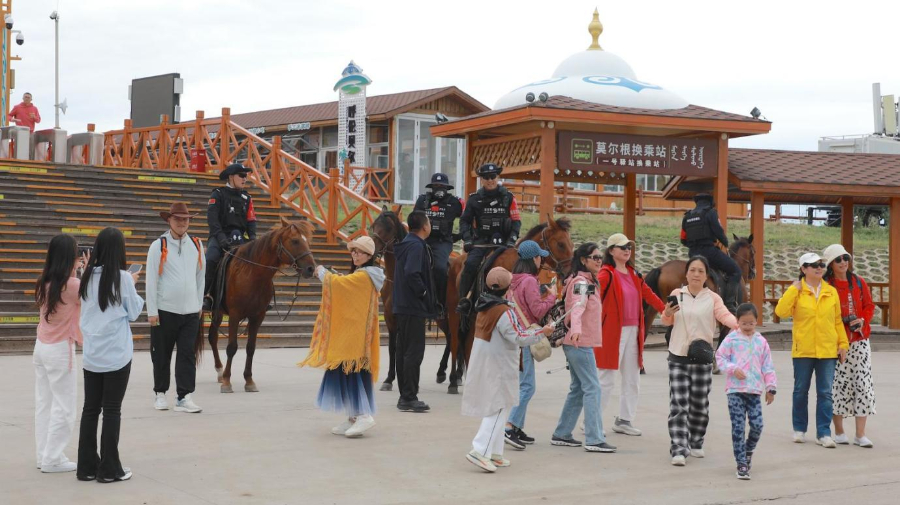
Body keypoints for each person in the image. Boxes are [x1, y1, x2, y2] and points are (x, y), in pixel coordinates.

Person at [463, 267, 554, 472]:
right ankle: (480, 450)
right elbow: (519, 337)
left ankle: (494, 452)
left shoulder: (484, 305)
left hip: (489, 363)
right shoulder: (504, 311)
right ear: (507, 288)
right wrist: (543, 332)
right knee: (498, 407)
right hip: (500, 365)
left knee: (501, 406)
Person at [76, 227, 144, 483]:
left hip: (92, 354)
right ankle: (109, 469)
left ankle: (86, 467)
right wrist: (133, 284)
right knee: (112, 410)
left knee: (90, 409)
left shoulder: (86, 276)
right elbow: (134, 312)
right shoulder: (123, 278)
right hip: (116, 354)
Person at [300, 236, 384, 438]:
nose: (355, 254)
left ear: (369, 256)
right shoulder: (363, 275)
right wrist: (336, 277)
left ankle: (363, 415)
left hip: (356, 337)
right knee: (346, 373)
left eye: (360, 252)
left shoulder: (365, 275)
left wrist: (323, 273)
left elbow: (338, 285)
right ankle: (354, 416)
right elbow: (345, 286)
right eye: (354, 251)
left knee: (353, 373)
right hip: (352, 334)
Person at [661, 255, 738, 466]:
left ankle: (696, 440)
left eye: (700, 271)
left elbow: (725, 316)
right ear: (686, 274)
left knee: (699, 404)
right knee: (678, 404)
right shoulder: (677, 294)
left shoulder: (713, 298)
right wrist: (667, 312)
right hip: (678, 356)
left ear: (706, 276)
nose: (696, 274)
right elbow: (666, 321)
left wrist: (739, 325)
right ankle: (679, 448)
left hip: (702, 357)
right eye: (692, 270)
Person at [775, 252, 848, 449]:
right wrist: (793, 289)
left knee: (825, 393)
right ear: (803, 269)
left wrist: (843, 344)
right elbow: (780, 311)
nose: (819, 268)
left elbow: (837, 321)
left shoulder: (831, 291)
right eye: (813, 265)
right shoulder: (797, 291)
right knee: (800, 391)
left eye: (821, 264)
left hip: (827, 350)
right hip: (803, 350)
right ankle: (799, 429)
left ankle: (824, 433)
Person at [595, 233, 666, 438]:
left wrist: (665, 310)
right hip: (612, 332)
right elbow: (593, 299)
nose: (627, 250)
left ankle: (624, 420)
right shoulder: (605, 274)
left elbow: (649, 294)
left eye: (629, 247)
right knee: (606, 378)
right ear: (611, 251)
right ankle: (592, 419)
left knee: (632, 378)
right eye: (622, 247)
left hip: (634, 331)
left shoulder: (634, 274)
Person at [550, 242, 617, 453]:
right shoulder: (581, 282)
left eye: (600, 257)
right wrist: (576, 330)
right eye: (594, 257)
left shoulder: (586, 280)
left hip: (577, 341)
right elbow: (577, 307)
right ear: (583, 260)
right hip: (579, 342)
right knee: (593, 388)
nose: (599, 261)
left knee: (579, 388)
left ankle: (562, 433)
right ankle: (594, 438)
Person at [145, 203, 205, 413]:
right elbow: (151, 279)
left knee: (187, 354)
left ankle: (184, 396)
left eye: (185, 219)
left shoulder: (196, 244)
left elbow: (200, 276)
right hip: (165, 310)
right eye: (177, 219)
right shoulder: (158, 245)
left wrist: (198, 304)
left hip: (190, 311)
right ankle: (160, 393)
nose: (182, 223)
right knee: (162, 354)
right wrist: (152, 311)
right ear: (169, 220)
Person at [33, 234, 84, 473]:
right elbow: (90, 297)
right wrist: (85, 270)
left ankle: (43, 455)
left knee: (44, 404)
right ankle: (52, 458)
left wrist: (77, 270)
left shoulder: (44, 281)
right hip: (60, 349)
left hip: (41, 347)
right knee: (64, 407)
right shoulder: (72, 285)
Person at [503, 240, 556, 450]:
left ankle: (517, 427)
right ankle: (509, 426)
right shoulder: (530, 281)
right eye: (539, 257)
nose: (541, 260)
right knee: (528, 386)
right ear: (534, 259)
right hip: (526, 337)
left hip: (514, 336)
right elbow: (538, 310)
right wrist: (551, 297)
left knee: (522, 384)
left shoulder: (512, 280)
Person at [822, 244, 876, 448]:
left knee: (863, 385)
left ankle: (860, 434)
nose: (843, 262)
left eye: (845, 258)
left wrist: (863, 320)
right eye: (838, 259)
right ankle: (839, 431)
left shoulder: (859, 282)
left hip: (860, 341)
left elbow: (869, 306)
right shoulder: (826, 286)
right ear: (830, 264)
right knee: (837, 386)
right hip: (836, 342)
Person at [715, 303, 777, 480]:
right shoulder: (731, 339)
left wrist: (770, 387)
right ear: (738, 322)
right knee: (738, 427)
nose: (748, 327)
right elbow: (720, 357)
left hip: (754, 391)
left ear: (756, 321)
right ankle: (741, 463)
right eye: (744, 323)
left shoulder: (761, 342)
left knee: (757, 425)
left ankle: (748, 450)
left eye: (751, 323)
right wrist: (732, 368)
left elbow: (768, 366)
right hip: (735, 390)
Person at [457, 163, 521, 314]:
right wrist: (467, 239)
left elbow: (516, 221)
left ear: (498, 177)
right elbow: (464, 221)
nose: (490, 180)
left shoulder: (509, 197)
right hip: (481, 243)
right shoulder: (473, 199)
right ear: (481, 179)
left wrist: (512, 240)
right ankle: (464, 301)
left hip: (505, 244)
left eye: (493, 176)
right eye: (486, 177)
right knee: (470, 265)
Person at [392, 210, 438, 412]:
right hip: (413, 306)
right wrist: (424, 292)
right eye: (429, 223)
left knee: (403, 351)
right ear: (425, 226)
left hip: (402, 305)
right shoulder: (417, 246)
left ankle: (405, 396)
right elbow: (412, 272)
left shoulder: (406, 244)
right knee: (413, 352)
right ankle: (409, 397)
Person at [203, 163, 257, 311]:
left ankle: (259, 297)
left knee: (260, 258)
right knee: (210, 259)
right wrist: (221, 238)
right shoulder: (218, 194)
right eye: (241, 175)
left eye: (246, 176)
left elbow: (251, 220)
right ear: (231, 177)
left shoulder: (247, 198)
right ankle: (206, 295)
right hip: (219, 236)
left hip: (239, 237)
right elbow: (212, 220)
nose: (244, 179)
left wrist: (253, 238)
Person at [680, 193, 742, 312]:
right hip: (709, 252)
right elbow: (718, 231)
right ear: (709, 202)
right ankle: (730, 304)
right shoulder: (711, 212)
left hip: (693, 254)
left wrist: (693, 246)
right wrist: (725, 242)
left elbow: (683, 239)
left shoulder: (687, 216)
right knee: (735, 271)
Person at [414, 172, 464, 318]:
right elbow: (414, 220)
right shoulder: (422, 200)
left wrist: (460, 235)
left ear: (447, 188)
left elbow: (468, 218)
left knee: (440, 268)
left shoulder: (455, 202)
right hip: (422, 240)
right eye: (436, 186)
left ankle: (440, 304)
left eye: (442, 186)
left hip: (442, 242)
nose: (439, 189)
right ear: (431, 187)